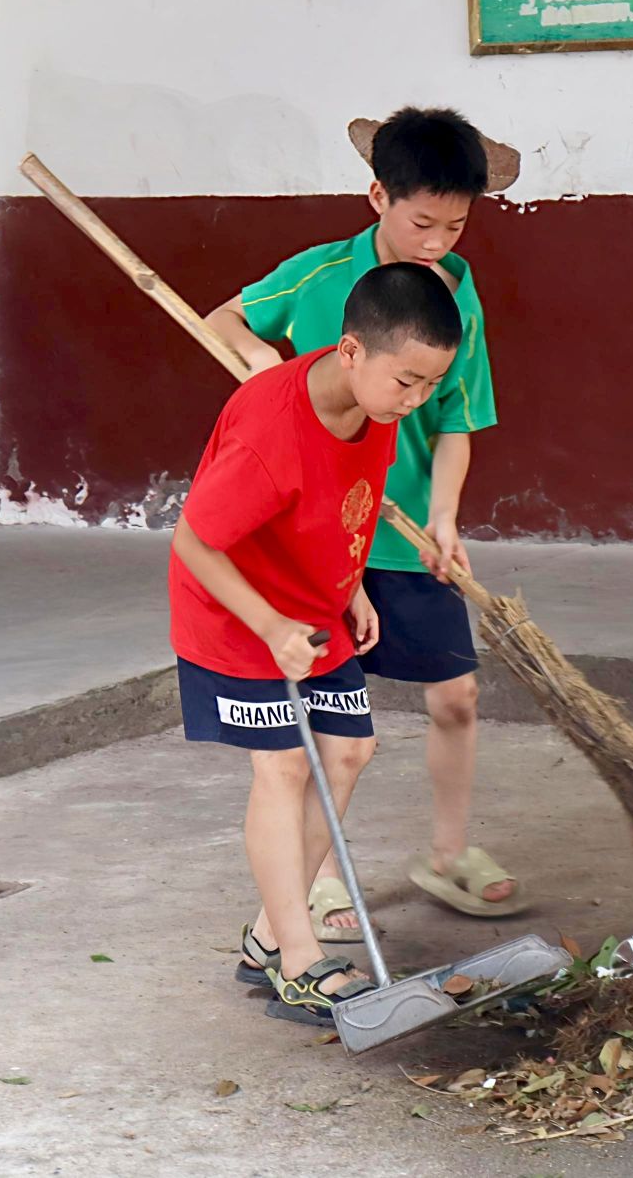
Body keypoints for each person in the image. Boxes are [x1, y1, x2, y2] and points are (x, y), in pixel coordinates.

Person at [206, 106, 524, 936]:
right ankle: (315, 881)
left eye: (455, 225)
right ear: (377, 195)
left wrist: (447, 520)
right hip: (316, 538)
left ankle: (448, 854)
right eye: (422, 222)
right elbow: (223, 319)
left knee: (455, 694)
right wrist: (254, 356)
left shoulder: (457, 293)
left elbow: (457, 418)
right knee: (331, 729)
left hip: (406, 527)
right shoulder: (319, 279)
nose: (437, 242)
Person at [170, 262, 462, 1025]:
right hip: (238, 614)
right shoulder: (273, 431)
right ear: (352, 351)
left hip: (312, 602)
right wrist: (269, 626)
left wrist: (353, 583)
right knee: (285, 764)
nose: (417, 400)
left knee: (349, 750)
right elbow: (195, 540)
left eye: (431, 384)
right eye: (408, 381)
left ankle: (271, 935)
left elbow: (344, 504)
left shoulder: (378, 410)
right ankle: (300, 961)